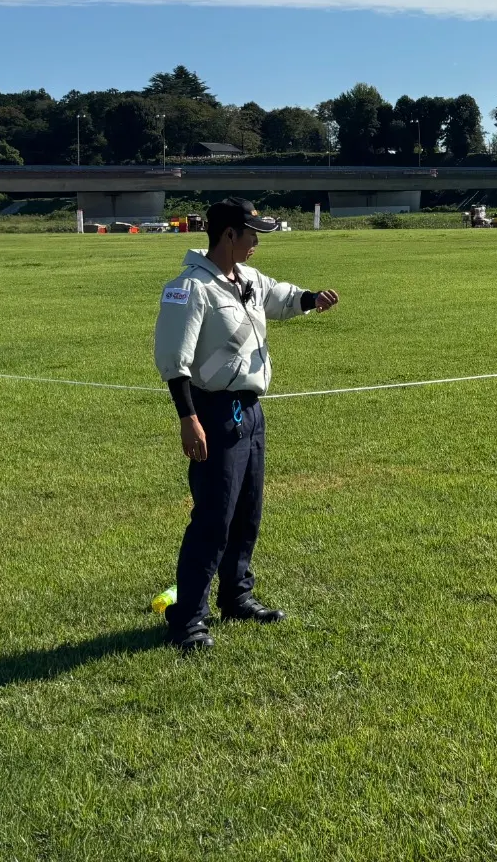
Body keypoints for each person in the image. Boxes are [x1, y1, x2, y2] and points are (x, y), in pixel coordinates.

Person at [153, 197, 339, 652]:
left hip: (251, 412)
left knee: (247, 512)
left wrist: (312, 300)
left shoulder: (247, 278)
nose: (258, 241)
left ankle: (237, 597)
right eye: (252, 233)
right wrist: (188, 419)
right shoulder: (190, 288)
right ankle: (188, 620)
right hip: (213, 412)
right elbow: (173, 360)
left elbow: (279, 297)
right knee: (213, 517)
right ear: (229, 235)